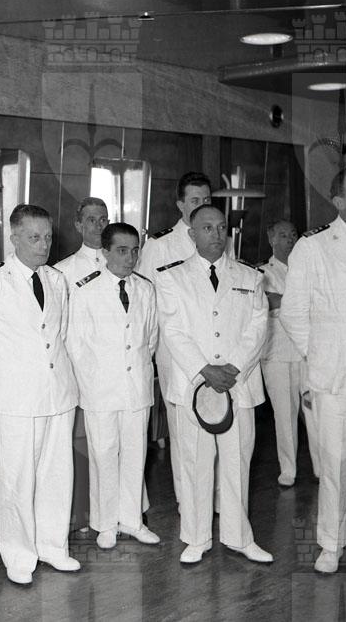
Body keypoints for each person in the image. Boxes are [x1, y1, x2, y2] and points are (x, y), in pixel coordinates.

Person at [0, 204, 79, 585]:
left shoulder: (57, 280)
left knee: (57, 475)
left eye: (47, 237)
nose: (43, 245)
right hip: (12, 401)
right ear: (13, 238)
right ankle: (19, 555)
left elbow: (60, 336)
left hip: (57, 395)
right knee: (15, 480)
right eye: (34, 237)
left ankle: (53, 547)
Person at [155, 205, 272, 564]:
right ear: (192, 234)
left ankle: (239, 537)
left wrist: (233, 367)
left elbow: (258, 327)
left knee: (238, 463)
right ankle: (196, 537)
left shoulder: (250, 276)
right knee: (195, 464)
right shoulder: (172, 277)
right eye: (207, 228)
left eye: (221, 227)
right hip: (194, 385)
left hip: (238, 383)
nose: (217, 234)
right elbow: (173, 330)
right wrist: (205, 370)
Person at [280, 167, 346, 574]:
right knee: (335, 465)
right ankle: (331, 543)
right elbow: (292, 313)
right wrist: (323, 354)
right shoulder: (312, 247)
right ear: (339, 201)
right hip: (337, 379)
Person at [67, 222, 160, 549]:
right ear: (105, 252)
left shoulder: (145, 289)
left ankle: (132, 520)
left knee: (136, 454)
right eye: (122, 250)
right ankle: (105, 524)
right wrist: (92, 383)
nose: (130, 258)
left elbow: (150, 340)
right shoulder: (85, 290)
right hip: (101, 389)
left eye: (134, 251)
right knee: (104, 455)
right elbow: (76, 345)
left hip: (136, 388)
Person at [135, 172, 212, 506]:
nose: (202, 206)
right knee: (183, 429)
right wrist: (150, 352)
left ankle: (212, 497)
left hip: (213, 349)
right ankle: (188, 501)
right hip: (175, 352)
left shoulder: (218, 238)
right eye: (195, 200)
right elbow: (145, 300)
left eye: (207, 200)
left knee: (215, 425)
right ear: (180, 204)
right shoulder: (161, 245)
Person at [259, 220, 318, 487]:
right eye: (283, 235)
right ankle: (288, 470)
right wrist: (295, 303)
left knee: (314, 411)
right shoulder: (262, 272)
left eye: (293, 234)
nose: (290, 239)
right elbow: (266, 302)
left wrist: (283, 301)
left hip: (307, 351)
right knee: (285, 415)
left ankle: (321, 467)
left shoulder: (307, 268)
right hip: (277, 353)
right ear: (271, 239)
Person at [54, 197, 109, 286]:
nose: (99, 226)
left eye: (103, 220)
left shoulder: (123, 265)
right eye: (92, 220)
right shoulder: (61, 271)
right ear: (78, 226)